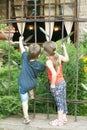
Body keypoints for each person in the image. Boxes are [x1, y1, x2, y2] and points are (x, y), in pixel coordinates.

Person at [18, 36, 46, 124]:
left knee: (24, 101)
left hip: (22, 84)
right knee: (31, 83)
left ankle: (26, 117)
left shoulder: (25, 56)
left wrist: (20, 41)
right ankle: (32, 96)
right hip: (32, 84)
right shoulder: (39, 65)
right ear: (39, 55)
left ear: (28, 52)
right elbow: (45, 68)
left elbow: (22, 48)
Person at [43, 41, 69, 126]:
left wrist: (52, 84)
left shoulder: (49, 62)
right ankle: (64, 118)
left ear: (46, 52)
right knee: (63, 100)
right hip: (62, 82)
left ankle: (60, 120)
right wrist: (64, 49)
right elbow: (67, 59)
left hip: (56, 84)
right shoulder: (58, 56)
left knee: (59, 103)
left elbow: (54, 74)